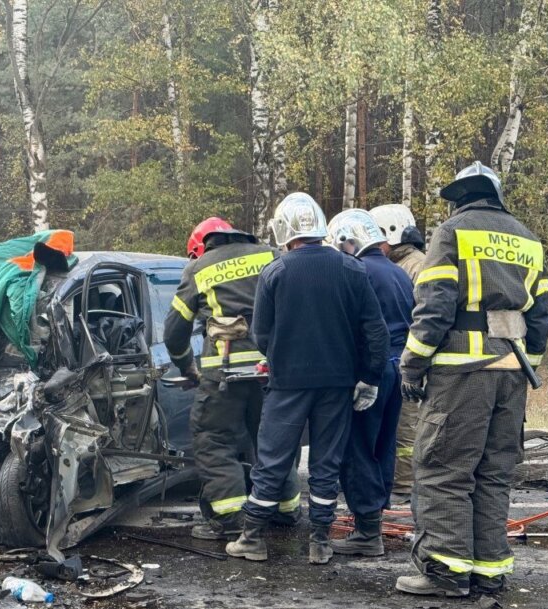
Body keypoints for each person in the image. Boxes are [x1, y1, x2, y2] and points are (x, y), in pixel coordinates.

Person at [396, 162, 548, 597]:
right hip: (512, 375)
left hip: (462, 375)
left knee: (444, 468)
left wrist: (413, 364)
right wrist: (527, 365)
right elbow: (540, 316)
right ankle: (489, 569)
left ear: (458, 198)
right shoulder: (528, 239)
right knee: (493, 471)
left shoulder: (452, 232)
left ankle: (444, 571)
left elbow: (435, 306)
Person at [226, 193, 389, 564]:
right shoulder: (352, 269)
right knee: (326, 464)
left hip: (288, 385)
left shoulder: (276, 271)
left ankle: (252, 538)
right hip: (338, 385)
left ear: (285, 231)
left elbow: (261, 333)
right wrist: (369, 377)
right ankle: (320, 541)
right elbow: (375, 332)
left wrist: (280, 358)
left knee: (273, 459)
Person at [164, 217, 301, 541]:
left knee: (214, 441)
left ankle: (232, 520)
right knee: (273, 443)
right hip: (272, 372)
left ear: (200, 247)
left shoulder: (199, 269)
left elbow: (174, 332)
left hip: (224, 376)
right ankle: (285, 511)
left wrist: (187, 367)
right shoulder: (271, 256)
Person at [327, 209, 413, 557]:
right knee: (383, 445)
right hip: (397, 370)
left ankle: (366, 530)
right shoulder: (398, 273)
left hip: (370, 373)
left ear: (350, 241)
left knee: (358, 447)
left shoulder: (358, 272)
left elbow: (353, 328)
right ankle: (373, 515)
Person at [370, 204, 427, 507]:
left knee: (405, 425)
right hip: (400, 356)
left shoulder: (415, 265)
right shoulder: (403, 263)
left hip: (407, 357)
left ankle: (403, 484)